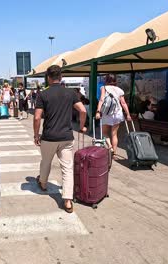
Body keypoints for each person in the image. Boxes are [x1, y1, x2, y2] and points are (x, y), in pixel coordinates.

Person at [34, 65, 87, 214]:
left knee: (46, 162)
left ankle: (43, 184)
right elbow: (82, 110)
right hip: (66, 137)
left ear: (48, 78)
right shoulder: (70, 93)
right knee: (67, 168)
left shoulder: (43, 95)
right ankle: (68, 200)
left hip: (49, 137)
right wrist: (81, 127)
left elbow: (37, 117)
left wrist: (36, 135)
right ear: (61, 77)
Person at [95, 75, 132, 157]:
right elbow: (123, 103)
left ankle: (110, 146)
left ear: (106, 80)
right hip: (118, 113)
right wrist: (128, 114)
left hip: (107, 113)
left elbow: (101, 99)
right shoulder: (120, 90)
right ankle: (114, 154)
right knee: (114, 134)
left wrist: (98, 111)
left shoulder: (104, 88)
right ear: (115, 80)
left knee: (104, 132)